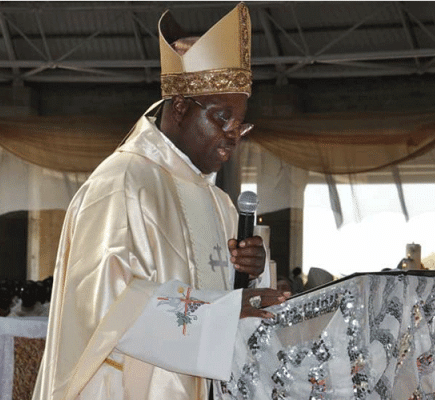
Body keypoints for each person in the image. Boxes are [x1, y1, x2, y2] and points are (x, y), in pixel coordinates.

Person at [33, 4, 289, 400]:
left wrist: (252, 277)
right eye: (223, 118)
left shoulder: (220, 202)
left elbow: (231, 300)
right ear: (182, 107)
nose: (234, 135)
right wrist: (220, 312)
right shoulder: (121, 184)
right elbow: (105, 305)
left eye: (241, 123)